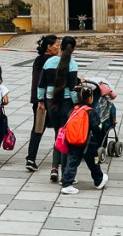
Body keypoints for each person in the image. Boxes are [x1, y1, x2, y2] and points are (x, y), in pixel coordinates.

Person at [37, 35, 78, 182]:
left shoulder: (49, 62)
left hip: (50, 102)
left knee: (58, 134)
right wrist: (77, 104)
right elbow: (72, 89)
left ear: (61, 47)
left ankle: (54, 168)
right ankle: (65, 174)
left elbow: (41, 84)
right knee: (65, 137)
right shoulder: (73, 64)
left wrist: (41, 101)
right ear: (73, 49)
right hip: (66, 103)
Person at [59, 85, 109, 195]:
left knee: (72, 162)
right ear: (90, 98)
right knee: (94, 162)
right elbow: (97, 128)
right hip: (88, 143)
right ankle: (99, 180)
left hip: (73, 141)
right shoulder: (90, 111)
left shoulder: (73, 110)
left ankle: (66, 183)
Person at [26, 35, 59, 172]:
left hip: (39, 100)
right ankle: (59, 160)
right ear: (49, 47)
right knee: (59, 129)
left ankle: (30, 159)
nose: (58, 47)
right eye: (57, 45)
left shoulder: (38, 60)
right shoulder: (51, 61)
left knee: (38, 129)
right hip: (49, 101)